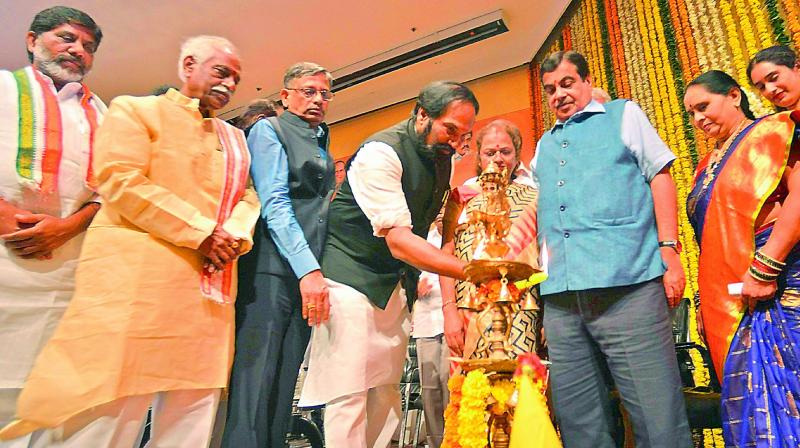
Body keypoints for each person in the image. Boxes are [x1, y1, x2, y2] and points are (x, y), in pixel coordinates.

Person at [0, 35, 259, 448]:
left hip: (208, 292)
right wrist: (202, 232)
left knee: (193, 410)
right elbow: (120, 180)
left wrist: (236, 236)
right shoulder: (136, 111)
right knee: (109, 409)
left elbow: (247, 196)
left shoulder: (235, 139)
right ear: (189, 65)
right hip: (140, 286)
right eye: (221, 72)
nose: (229, 84)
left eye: (236, 78)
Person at [298, 81, 478, 447]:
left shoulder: (441, 160)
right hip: (350, 278)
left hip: (394, 287)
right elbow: (398, 241)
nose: (456, 142)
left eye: (464, 134)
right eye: (451, 130)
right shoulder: (381, 153)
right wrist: (471, 272)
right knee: (349, 392)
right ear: (422, 114)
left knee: (385, 393)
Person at [533, 51, 690, 447]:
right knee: (578, 422)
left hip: (630, 287)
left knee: (657, 417)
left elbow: (660, 176)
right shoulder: (543, 147)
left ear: (586, 81)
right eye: (550, 90)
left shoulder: (623, 114)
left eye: (567, 83)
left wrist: (668, 250)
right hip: (562, 301)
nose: (559, 95)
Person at [0, 6, 105, 446]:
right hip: (5, 263)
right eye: (67, 38)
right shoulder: (3, 88)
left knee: (52, 395)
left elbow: (110, 191)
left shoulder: (101, 110)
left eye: (88, 46)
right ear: (32, 40)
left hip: (68, 272)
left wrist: (68, 227)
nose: (77, 50)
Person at [221, 62, 335, 448]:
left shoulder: (322, 136)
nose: (317, 99)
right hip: (270, 271)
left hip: (308, 276)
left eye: (324, 92)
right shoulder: (269, 130)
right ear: (285, 96)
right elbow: (275, 204)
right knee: (256, 380)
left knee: (286, 379)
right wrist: (308, 270)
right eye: (308, 91)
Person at [684, 70, 800, 446]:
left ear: (734, 95)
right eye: (691, 113)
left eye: (704, 106)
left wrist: (767, 266)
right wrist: (704, 301)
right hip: (729, 300)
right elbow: (709, 240)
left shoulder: (774, 131)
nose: (699, 118)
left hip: (781, 283)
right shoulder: (705, 166)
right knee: (748, 401)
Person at [440, 119, 540, 365]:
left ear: (517, 157)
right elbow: (446, 253)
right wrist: (449, 310)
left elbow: (545, 258)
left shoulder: (534, 197)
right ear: (479, 157)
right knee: (472, 390)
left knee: (522, 386)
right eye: (490, 152)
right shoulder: (461, 197)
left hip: (522, 309)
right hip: (469, 308)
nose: (498, 158)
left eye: (505, 152)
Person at [411, 221, 448, 448]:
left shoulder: (461, 233)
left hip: (450, 319)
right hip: (425, 320)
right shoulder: (421, 237)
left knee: (449, 383)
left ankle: (455, 441)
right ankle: (435, 443)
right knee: (430, 390)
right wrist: (414, 284)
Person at [748, 45, 800, 111]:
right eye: (761, 87)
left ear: (798, 67)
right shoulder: (773, 121)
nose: (769, 90)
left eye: (774, 78)